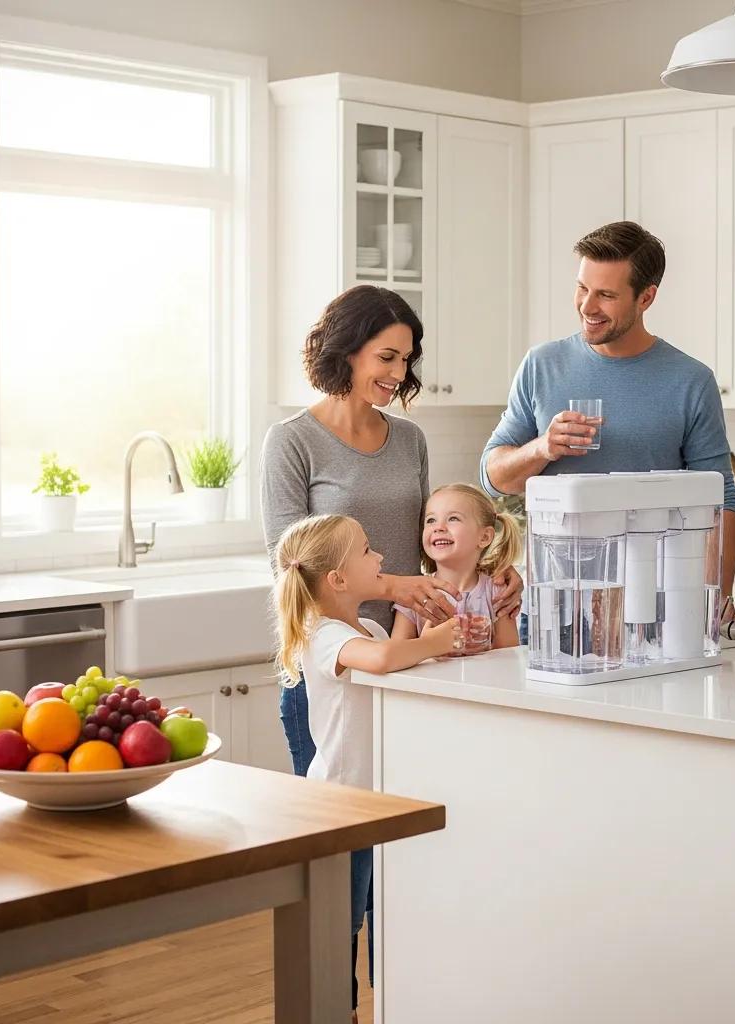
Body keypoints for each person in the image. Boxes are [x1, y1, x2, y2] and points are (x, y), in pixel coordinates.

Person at [260, 285, 522, 1004]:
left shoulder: (408, 439)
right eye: (387, 356)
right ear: (344, 348)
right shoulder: (292, 442)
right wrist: (403, 587)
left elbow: (435, 545)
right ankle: (333, 1000)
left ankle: (403, 1000)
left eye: (406, 360)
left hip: (409, 664)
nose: (397, 374)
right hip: (334, 671)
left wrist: (495, 581)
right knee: (339, 858)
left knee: (400, 858)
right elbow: (286, 561)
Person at [480, 221, 735, 609]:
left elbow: (720, 502)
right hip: (552, 610)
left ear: (646, 298)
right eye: (582, 288)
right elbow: (492, 478)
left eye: (605, 294)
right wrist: (542, 448)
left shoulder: (691, 381)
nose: (587, 306)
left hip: (653, 610)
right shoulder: (542, 365)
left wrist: (714, 600)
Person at [272, 513, 463, 1021]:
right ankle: (337, 1012)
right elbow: (381, 662)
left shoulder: (371, 626)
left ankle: (386, 1008)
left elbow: (397, 662)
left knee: (385, 914)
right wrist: (442, 639)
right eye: (366, 550)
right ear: (336, 579)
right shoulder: (324, 635)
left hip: (376, 805)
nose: (379, 557)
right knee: (342, 922)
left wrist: (439, 646)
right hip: (342, 808)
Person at [393, 483, 523, 650]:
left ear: (484, 537)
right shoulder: (413, 594)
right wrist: (427, 645)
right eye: (431, 520)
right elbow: (396, 655)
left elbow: (508, 657)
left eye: (453, 518)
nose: (438, 527)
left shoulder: (497, 593)